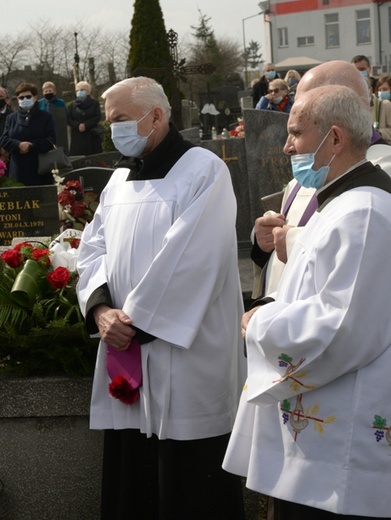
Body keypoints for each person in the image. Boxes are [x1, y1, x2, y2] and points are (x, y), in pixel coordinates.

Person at [76, 76, 246, 520]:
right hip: (124, 348)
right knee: (133, 481)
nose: (112, 129)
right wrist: (100, 310)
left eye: (120, 119)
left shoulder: (203, 170)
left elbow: (194, 258)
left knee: (189, 485)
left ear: (156, 116)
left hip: (183, 357)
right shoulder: (117, 181)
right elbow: (91, 249)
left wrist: (132, 325)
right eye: (109, 121)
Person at [224, 84, 391, 519]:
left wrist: (258, 325)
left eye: (296, 133)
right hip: (322, 427)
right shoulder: (338, 203)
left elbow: (344, 325)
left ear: (335, 139)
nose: (286, 145)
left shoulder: (365, 212)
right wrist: (273, 304)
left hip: (342, 446)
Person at [251, 60, 391, 300]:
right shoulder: (317, 165)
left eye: (311, 102)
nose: (287, 147)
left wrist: (295, 242)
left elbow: (369, 254)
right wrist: (263, 240)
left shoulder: (381, 170)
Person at [0, 83, 56, 185]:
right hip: (18, 170)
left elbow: (51, 140)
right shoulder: (11, 118)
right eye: (21, 97)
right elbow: (4, 139)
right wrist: (18, 145)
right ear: (17, 100)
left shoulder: (45, 117)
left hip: (40, 169)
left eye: (28, 97)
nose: (24, 99)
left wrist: (31, 146)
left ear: (35, 98)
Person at [67, 81, 102, 156]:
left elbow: (97, 117)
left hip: (91, 136)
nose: (80, 92)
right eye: (77, 90)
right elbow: (69, 119)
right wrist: (77, 125)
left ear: (88, 91)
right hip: (77, 137)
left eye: (82, 90)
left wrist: (86, 125)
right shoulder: (72, 105)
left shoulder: (94, 103)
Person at [0, 87, 13, 168]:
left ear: (7, 100)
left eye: (0, 97)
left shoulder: (14, 116)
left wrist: (6, 151)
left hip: (11, 159)